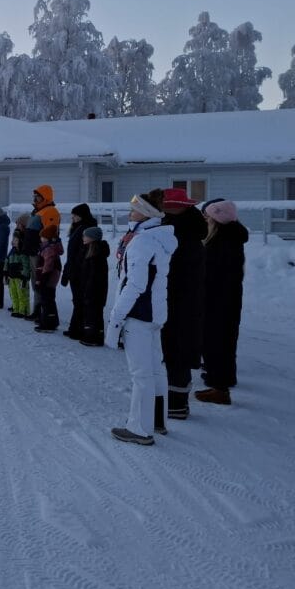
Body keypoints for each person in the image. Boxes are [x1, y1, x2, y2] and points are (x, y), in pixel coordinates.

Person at [105, 191, 176, 446]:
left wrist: (116, 318)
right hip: (154, 313)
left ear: (146, 214)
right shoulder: (159, 238)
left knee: (141, 374)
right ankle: (158, 420)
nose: (130, 213)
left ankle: (140, 428)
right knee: (156, 369)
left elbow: (134, 285)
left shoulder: (142, 242)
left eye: (134, 209)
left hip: (138, 314)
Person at [160, 188, 207, 419]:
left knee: (177, 348)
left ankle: (176, 403)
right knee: (175, 348)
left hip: (180, 301)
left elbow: (175, 271)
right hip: (181, 299)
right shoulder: (186, 227)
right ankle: (177, 400)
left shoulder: (181, 233)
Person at [196, 199, 248, 406]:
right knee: (224, 341)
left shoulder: (221, 242)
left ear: (217, 219)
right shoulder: (229, 237)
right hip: (226, 298)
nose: (206, 219)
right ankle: (221, 379)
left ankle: (220, 388)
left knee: (217, 341)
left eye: (208, 216)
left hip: (218, 299)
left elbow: (213, 274)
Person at [61, 203, 98, 339]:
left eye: (75, 216)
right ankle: (75, 328)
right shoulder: (78, 228)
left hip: (80, 270)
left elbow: (81, 253)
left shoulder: (86, 229)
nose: (73, 218)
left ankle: (78, 329)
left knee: (80, 300)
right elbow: (71, 253)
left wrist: (74, 268)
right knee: (77, 300)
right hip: (74, 269)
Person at [27, 185, 60, 320]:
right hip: (32, 252)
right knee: (35, 282)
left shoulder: (50, 211)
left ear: (45, 197)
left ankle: (42, 311)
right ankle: (37, 309)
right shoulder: (37, 212)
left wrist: (44, 250)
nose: (35, 199)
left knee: (41, 283)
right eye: (34, 196)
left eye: (38, 196)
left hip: (41, 253)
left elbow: (50, 232)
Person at [78, 226, 110, 346]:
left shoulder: (96, 254)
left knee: (93, 313)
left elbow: (95, 276)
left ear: (92, 238)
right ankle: (94, 335)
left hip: (95, 291)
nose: (83, 238)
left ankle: (93, 336)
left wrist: (88, 290)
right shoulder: (89, 251)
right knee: (93, 313)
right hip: (92, 289)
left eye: (85, 236)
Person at [34, 224, 64, 332]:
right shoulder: (49, 247)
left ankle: (48, 323)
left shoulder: (48, 249)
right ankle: (52, 320)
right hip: (50, 279)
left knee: (47, 301)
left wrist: (42, 279)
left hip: (47, 279)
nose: (41, 239)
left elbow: (48, 265)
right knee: (49, 300)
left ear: (47, 238)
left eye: (42, 237)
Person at [6, 232, 31, 318]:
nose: (13, 241)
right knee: (14, 294)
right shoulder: (11, 251)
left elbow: (26, 265)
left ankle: (23, 311)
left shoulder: (23, 252)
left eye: (15, 239)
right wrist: (6, 273)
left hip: (20, 277)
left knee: (22, 294)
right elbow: (7, 262)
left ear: (20, 241)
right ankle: (16, 309)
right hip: (12, 277)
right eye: (13, 239)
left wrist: (25, 277)